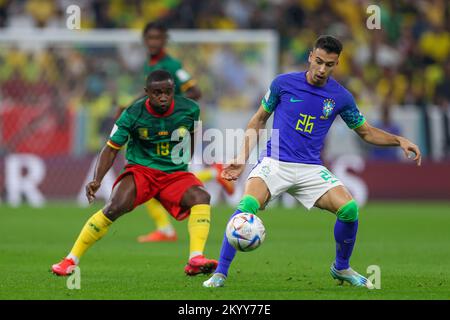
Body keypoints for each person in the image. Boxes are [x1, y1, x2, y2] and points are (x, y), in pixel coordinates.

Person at [203, 35, 421, 288]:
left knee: (349, 210)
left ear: (336, 64)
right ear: (310, 56)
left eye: (329, 64)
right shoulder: (283, 84)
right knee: (247, 205)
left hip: (310, 168)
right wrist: (241, 158)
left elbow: (366, 132)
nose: (321, 69)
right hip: (275, 163)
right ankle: (220, 273)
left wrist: (399, 140)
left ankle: (341, 267)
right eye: (318, 61)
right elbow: (259, 119)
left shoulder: (340, 97)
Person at [52, 70, 218, 276]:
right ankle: (70, 260)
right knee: (114, 207)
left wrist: (184, 161)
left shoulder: (190, 109)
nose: (163, 97)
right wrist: (97, 180)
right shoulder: (132, 113)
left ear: (173, 90)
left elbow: (192, 135)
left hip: (174, 174)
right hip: (142, 171)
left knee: (201, 197)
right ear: (147, 92)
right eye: (157, 93)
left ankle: (195, 259)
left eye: (167, 92)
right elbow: (111, 148)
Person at [119, 21, 234, 243]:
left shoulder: (171, 64)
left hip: (174, 128)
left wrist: (174, 111)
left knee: (157, 173)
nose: (153, 42)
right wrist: (129, 107)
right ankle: (165, 228)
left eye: (158, 38)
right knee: (151, 173)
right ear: (144, 40)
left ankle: (214, 174)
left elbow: (195, 91)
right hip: (156, 128)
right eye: (150, 38)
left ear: (165, 40)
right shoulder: (149, 64)